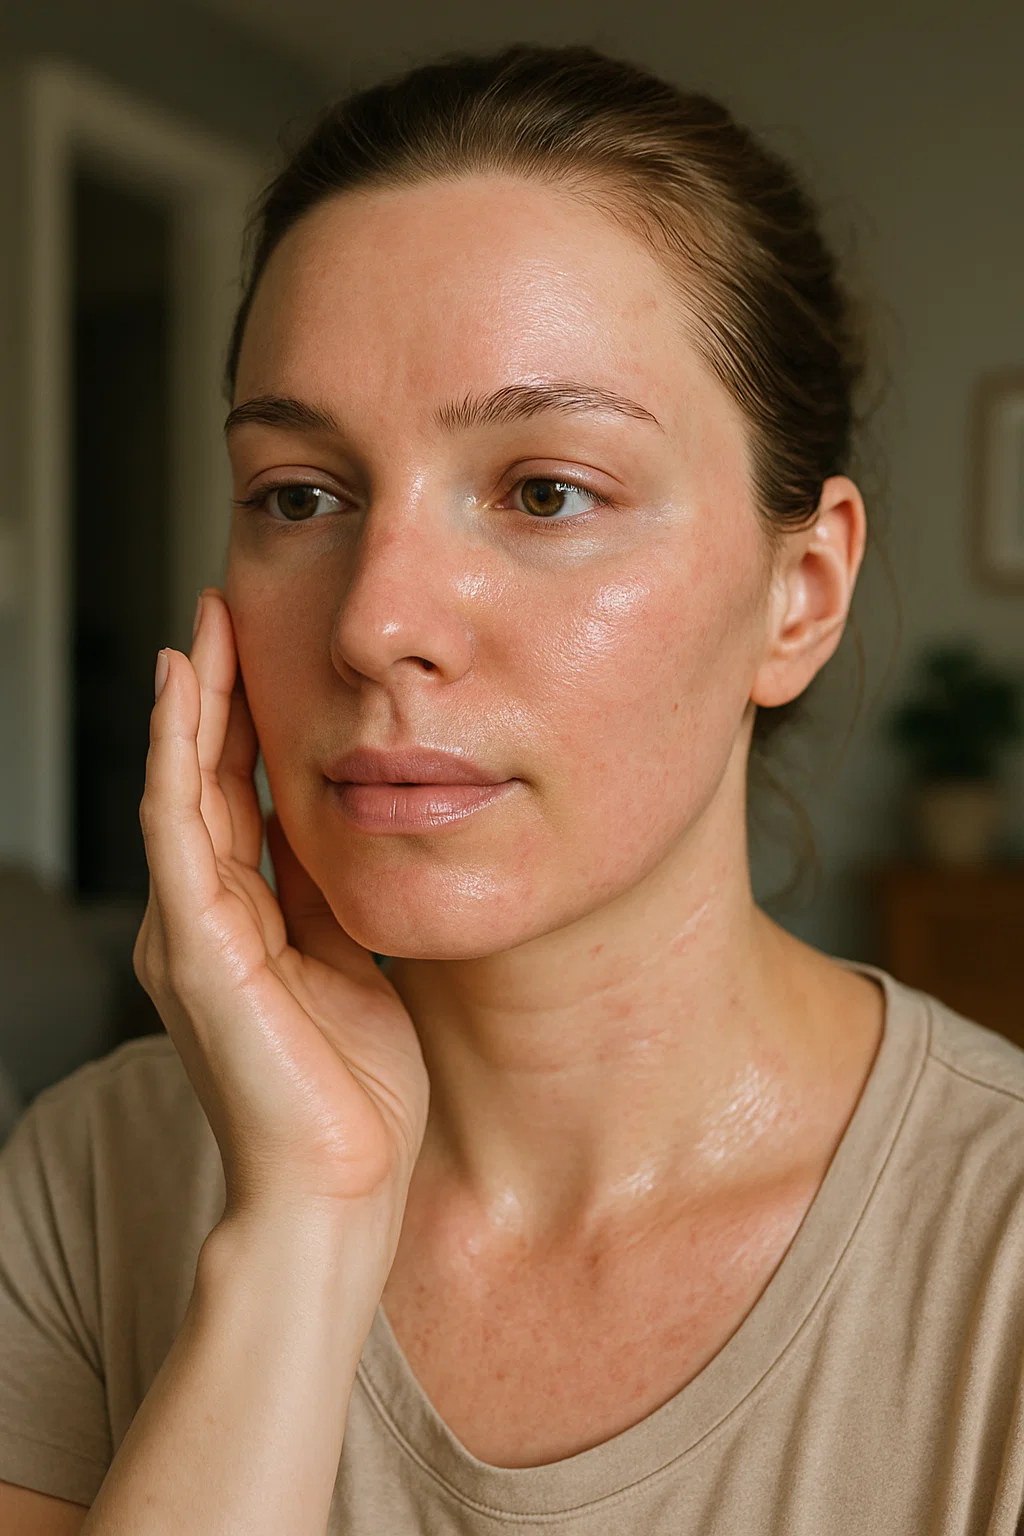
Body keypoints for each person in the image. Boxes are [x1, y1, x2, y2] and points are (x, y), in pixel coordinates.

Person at [1, 42, 1023, 1536]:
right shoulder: (87, 1183)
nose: (373, 621)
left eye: (547, 491)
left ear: (800, 594)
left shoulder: (996, 1263)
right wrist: (303, 1230)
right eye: (300, 495)